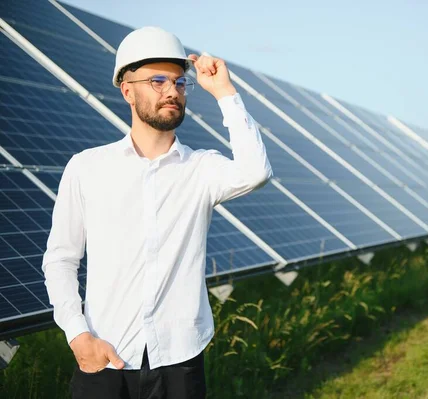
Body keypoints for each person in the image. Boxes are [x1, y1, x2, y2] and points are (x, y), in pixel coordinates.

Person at [42, 26, 273, 398]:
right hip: (104, 358)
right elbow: (61, 259)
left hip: (180, 364)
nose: (172, 91)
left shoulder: (201, 169)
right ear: (127, 90)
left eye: (180, 82)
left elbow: (256, 171)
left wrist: (225, 93)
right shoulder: (87, 168)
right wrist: (77, 335)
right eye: (158, 80)